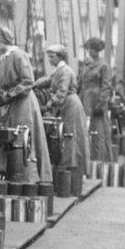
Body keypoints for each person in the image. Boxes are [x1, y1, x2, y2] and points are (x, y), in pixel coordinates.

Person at [0, 26, 52, 183]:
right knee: (12, 137)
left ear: (3, 40)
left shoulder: (17, 54)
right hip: (11, 103)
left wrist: (8, 96)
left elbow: (27, 81)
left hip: (22, 103)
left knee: (22, 137)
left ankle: (26, 177)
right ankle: (12, 175)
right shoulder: (3, 58)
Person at [35, 44, 90, 190]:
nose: (50, 59)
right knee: (66, 137)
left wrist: (47, 106)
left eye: (52, 56)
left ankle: (70, 171)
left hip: (71, 105)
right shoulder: (59, 70)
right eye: (49, 56)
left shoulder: (65, 71)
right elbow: (48, 80)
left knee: (70, 136)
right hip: (65, 105)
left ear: (60, 57)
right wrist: (32, 85)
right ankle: (67, 167)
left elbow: (61, 92)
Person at [78, 37, 114, 161]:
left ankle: (100, 161)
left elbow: (106, 86)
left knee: (99, 132)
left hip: (96, 100)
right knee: (85, 129)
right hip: (84, 99)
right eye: (88, 49)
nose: (89, 52)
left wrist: (101, 104)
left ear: (97, 50)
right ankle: (86, 161)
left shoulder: (104, 66)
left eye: (92, 49)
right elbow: (80, 81)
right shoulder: (86, 64)